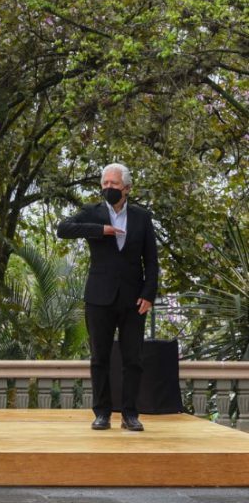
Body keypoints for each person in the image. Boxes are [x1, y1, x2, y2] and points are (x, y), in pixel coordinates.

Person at [57, 163, 158, 432]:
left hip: (133, 299)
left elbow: (151, 261)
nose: (108, 189)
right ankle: (102, 413)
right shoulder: (93, 212)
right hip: (99, 297)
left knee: (132, 359)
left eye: (113, 185)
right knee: (99, 358)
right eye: (104, 184)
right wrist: (102, 230)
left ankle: (130, 414)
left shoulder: (141, 217)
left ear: (126, 188)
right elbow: (63, 228)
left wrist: (149, 295)